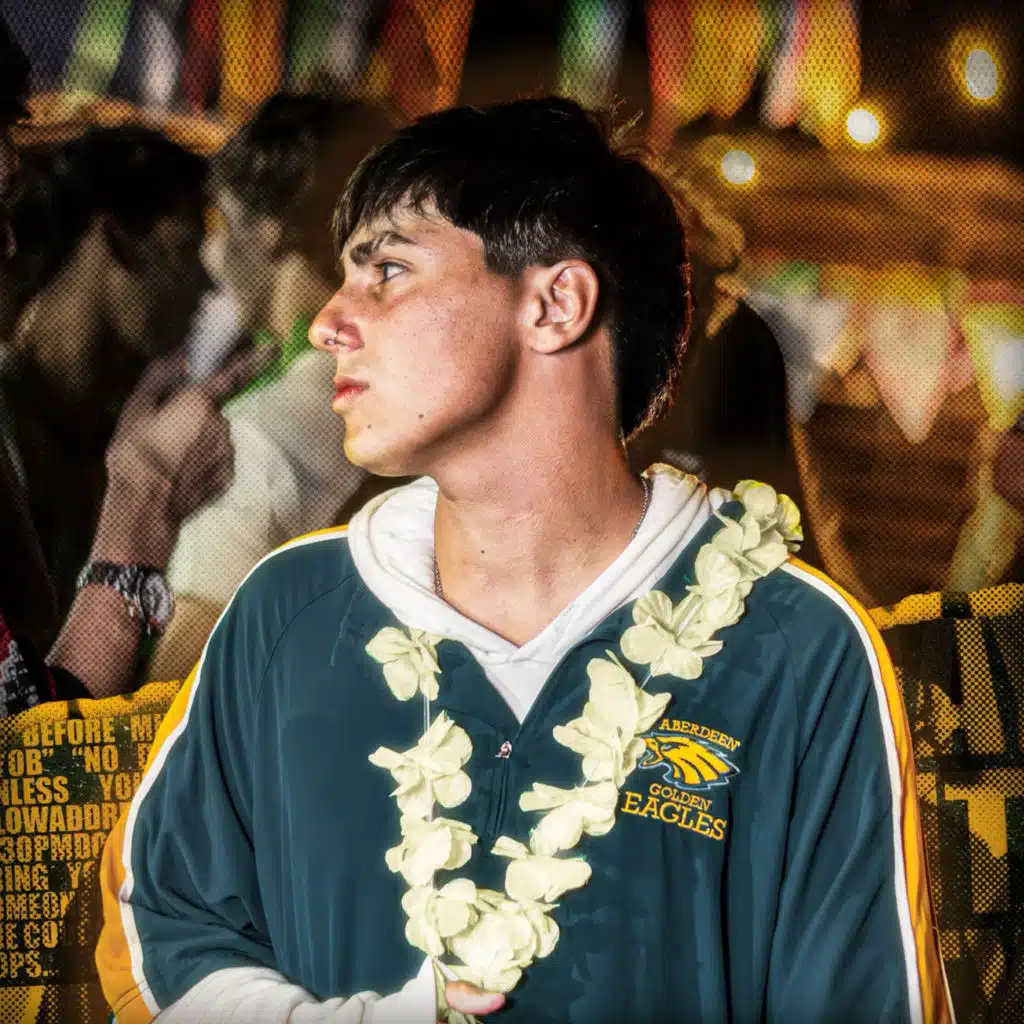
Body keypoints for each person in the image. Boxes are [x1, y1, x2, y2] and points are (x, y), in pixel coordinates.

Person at [96, 97, 951, 1023]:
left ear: (554, 304)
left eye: (388, 271)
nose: (328, 324)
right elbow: (159, 933)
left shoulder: (799, 649)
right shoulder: (290, 610)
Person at [0, 13, 276, 705]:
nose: (206, 283)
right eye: (182, 248)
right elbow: (32, 736)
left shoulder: (107, 424)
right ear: (115, 242)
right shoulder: (10, 421)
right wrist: (142, 506)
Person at [148, 93, 394, 682]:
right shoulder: (404, 397)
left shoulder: (257, 435)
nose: (211, 253)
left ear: (268, 230)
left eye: (222, 221)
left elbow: (174, 693)